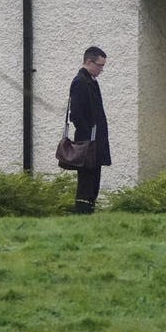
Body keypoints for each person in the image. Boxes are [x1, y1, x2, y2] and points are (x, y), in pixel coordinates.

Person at [69, 46, 111, 214]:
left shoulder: (91, 81)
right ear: (88, 61)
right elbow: (77, 114)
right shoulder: (80, 82)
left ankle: (89, 209)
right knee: (87, 179)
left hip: (95, 139)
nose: (101, 70)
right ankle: (83, 211)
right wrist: (88, 134)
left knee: (94, 178)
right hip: (88, 141)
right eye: (99, 65)